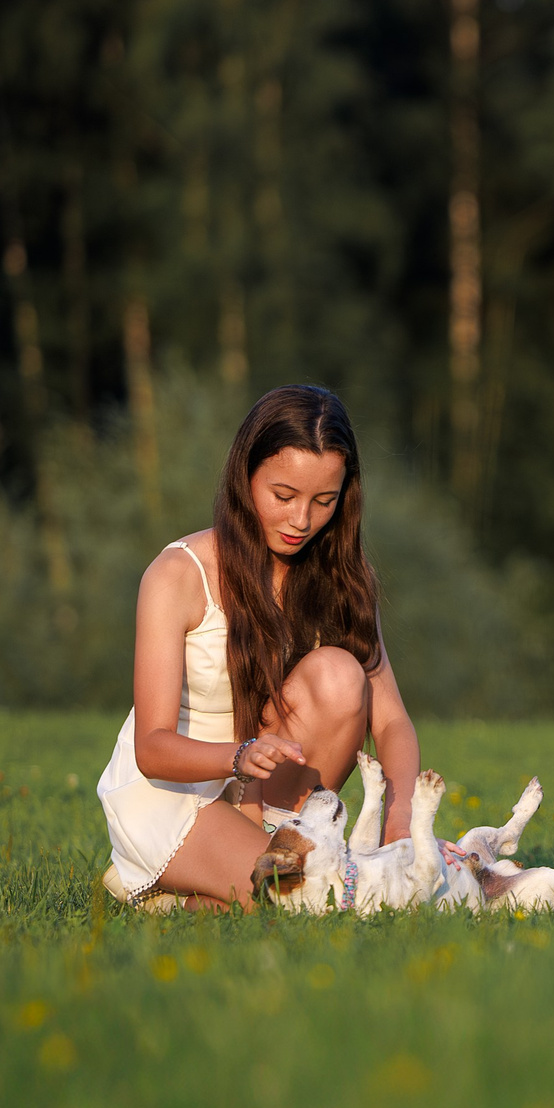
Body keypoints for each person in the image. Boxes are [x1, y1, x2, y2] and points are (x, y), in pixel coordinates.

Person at [96, 384, 423, 910]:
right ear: (244, 476)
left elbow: (391, 722)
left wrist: (402, 818)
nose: (301, 520)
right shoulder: (177, 574)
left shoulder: (344, 576)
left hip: (263, 792)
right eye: (283, 496)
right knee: (316, 900)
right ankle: (182, 881)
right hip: (174, 795)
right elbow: (151, 748)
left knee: (340, 675)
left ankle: (211, 888)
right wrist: (239, 756)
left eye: (324, 501)